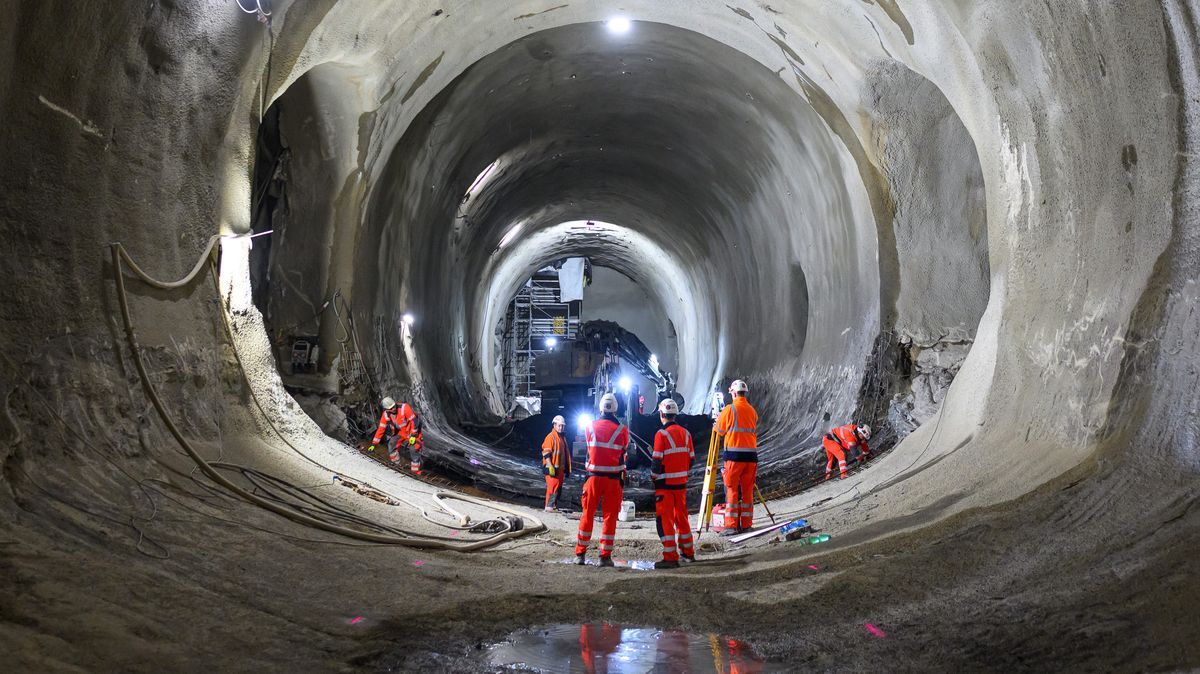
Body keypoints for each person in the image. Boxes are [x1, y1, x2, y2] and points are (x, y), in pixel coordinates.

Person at [574, 393, 628, 567]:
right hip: (613, 479)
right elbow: (623, 451)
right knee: (610, 517)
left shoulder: (589, 426)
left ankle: (580, 554)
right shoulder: (623, 430)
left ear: (600, 407)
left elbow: (591, 446)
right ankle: (604, 557)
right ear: (616, 407)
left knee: (587, 514)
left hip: (593, 478)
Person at [651, 398, 696, 568]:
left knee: (665, 521)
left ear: (662, 414)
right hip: (681, 484)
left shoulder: (661, 435)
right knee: (682, 519)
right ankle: (688, 553)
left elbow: (656, 462)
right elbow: (691, 459)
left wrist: (654, 476)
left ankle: (670, 556)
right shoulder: (686, 434)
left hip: (665, 486)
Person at [715, 379, 758, 534]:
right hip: (751, 458)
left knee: (732, 489)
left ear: (733, 392)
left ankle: (732, 526)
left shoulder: (729, 409)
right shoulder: (752, 411)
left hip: (734, 458)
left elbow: (719, 430)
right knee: (747, 491)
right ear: (744, 393)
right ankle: (747, 525)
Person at [369, 396, 424, 474]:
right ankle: (397, 465)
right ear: (386, 410)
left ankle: (416, 471)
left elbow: (414, 421)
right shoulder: (385, 415)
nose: (393, 409)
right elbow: (381, 429)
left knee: (414, 449)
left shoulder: (404, 408)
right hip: (401, 432)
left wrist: (414, 435)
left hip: (411, 431)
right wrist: (374, 444)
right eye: (390, 408)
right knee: (391, 444)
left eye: (394, 406)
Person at [541, 415, 572, 511]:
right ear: (554, 425)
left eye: (562, 426)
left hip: (559, 470)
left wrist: (566, 469)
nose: (561, 428)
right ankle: (549, 507)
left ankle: (553, 506)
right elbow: (546, 453)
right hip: (553, 469)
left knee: (557, 489)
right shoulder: (551, 437)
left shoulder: (561, 438)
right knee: (552, 489)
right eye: (559, 425)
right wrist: (550, 466)